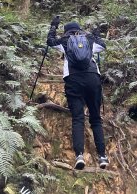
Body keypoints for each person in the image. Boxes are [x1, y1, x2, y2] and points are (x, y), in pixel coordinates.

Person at [46, 17, 109, 170]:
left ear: (66, 31)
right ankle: (102, 157)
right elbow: (103, 46)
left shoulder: (65, 41)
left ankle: (79, 155)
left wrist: (53, 26)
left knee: (78, 118)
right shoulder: (89, 39)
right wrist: (96, 34)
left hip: (73, 80)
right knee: (96, 119)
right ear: (79, 30)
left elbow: (50, 41)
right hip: (92, 78)